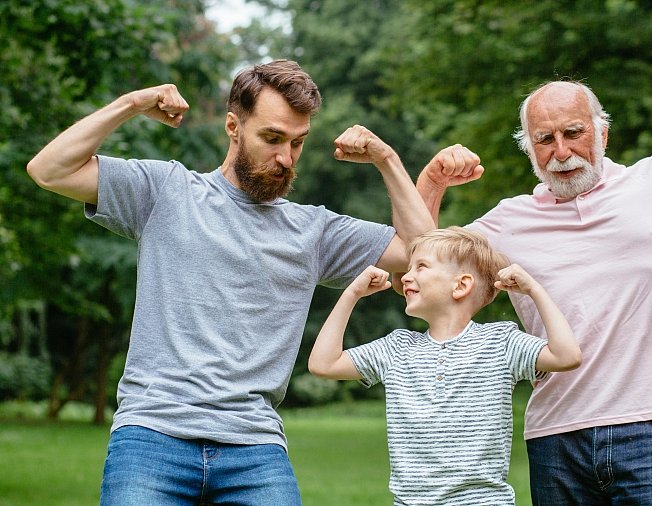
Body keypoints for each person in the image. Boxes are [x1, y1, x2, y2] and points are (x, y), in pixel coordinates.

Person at [26, 59, 435, 504]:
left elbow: (423, 252)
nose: (285, 158)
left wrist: (387, 160)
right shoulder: (166, 191)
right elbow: (50, 170)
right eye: (272, 138)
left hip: (254, 446)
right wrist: (131, 104)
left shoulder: (314, 232)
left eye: (298, 143)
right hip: (152, 434)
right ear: (233, 127)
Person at [414, 76, 652, 504]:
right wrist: (431, 187)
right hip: (557, 439)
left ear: (602, 132)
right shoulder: (509, 221)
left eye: (574, 133)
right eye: (545, 139)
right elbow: (420, 273)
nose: (561, 152)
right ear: (529, 149)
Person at [308, 226, 581, 505]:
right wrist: (351, 293)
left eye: (421, 267)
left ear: (461, 285)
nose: (406, 277)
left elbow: (566, 356)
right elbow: (324, 364)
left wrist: (534, 290)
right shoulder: (396, 348)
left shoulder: (500, 342)